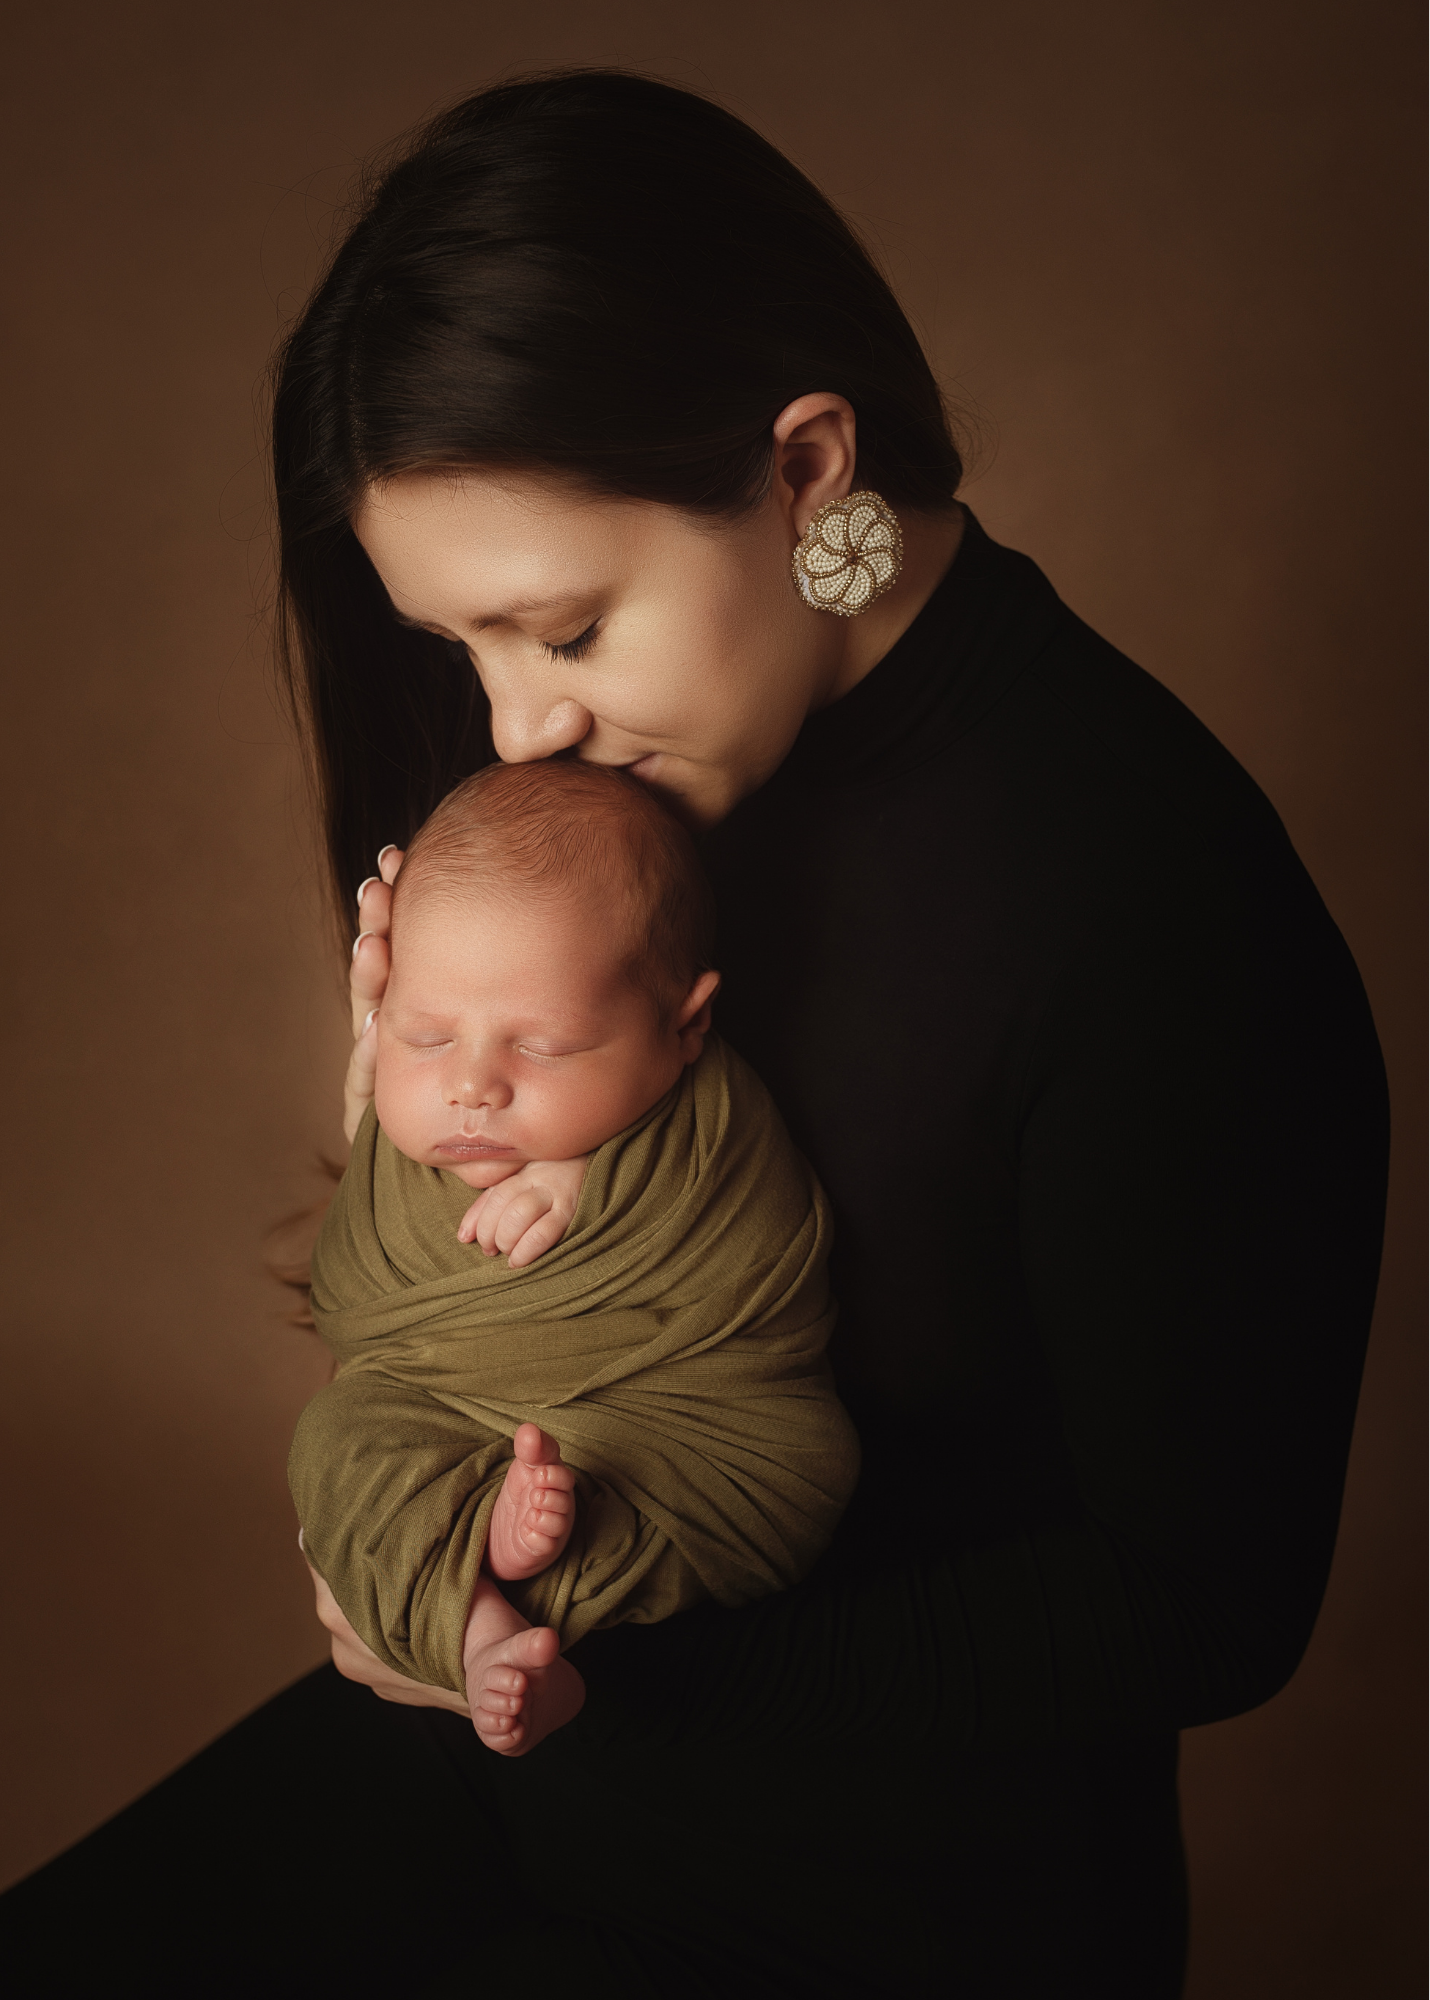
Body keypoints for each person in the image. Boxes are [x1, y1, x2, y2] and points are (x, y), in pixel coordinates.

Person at [0, 67, 1388, 2000]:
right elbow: (494, 1339)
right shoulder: (613, 802)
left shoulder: (1144, 896)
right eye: (457, 646)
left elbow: (1209, 1607)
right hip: (491, 1775)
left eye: (563, 630)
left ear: (813, 472)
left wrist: (592, 1665)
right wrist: (406, 1165)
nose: (511, 730)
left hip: (872, 1903)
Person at [290, 758, 858, 1759]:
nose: (470, 1086)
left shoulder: (713, 1117)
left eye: (541, 1047)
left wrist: (586, 1179)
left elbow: (747, 1218)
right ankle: (483, 1629)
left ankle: (516, 1576)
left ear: (684, 1026)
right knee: (337, 1440)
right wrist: (371, 1110)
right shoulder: (392, 1124)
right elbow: (363, 1315)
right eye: (424, 1035)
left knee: (784, 1470)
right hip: (444, 1415)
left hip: (676, 1423)